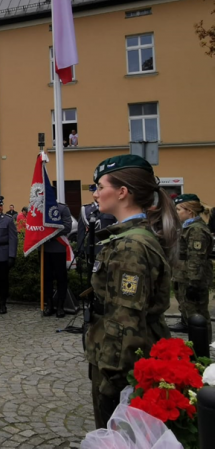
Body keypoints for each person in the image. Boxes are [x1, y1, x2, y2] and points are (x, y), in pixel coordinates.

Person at [86, 155, 180, 430]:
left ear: (122, 192)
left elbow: (125, 320)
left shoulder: (131, 246)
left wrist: (112, 379)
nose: (95, 193)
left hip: (120, 364)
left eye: (100, 186)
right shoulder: (131, 237)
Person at [168, 194, 213, 340]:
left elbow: (196, 258)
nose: (176, 213)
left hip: (192, 279)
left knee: (198, 316)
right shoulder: (187, 227)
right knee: (189, 313)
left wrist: (194, 283)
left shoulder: (196, 230)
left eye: (178, 209)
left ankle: (202, 348)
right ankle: (195, 344)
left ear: (190, 211)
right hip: (184, 277)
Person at [42, 201, 73, 318]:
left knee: (61, 278)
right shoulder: (39, 209)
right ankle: (49, 304)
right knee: (46, 278)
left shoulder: (62, 208)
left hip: (58, 248)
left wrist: (49, 234)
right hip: (44, 248)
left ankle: (60, 306)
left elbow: (67, 227)